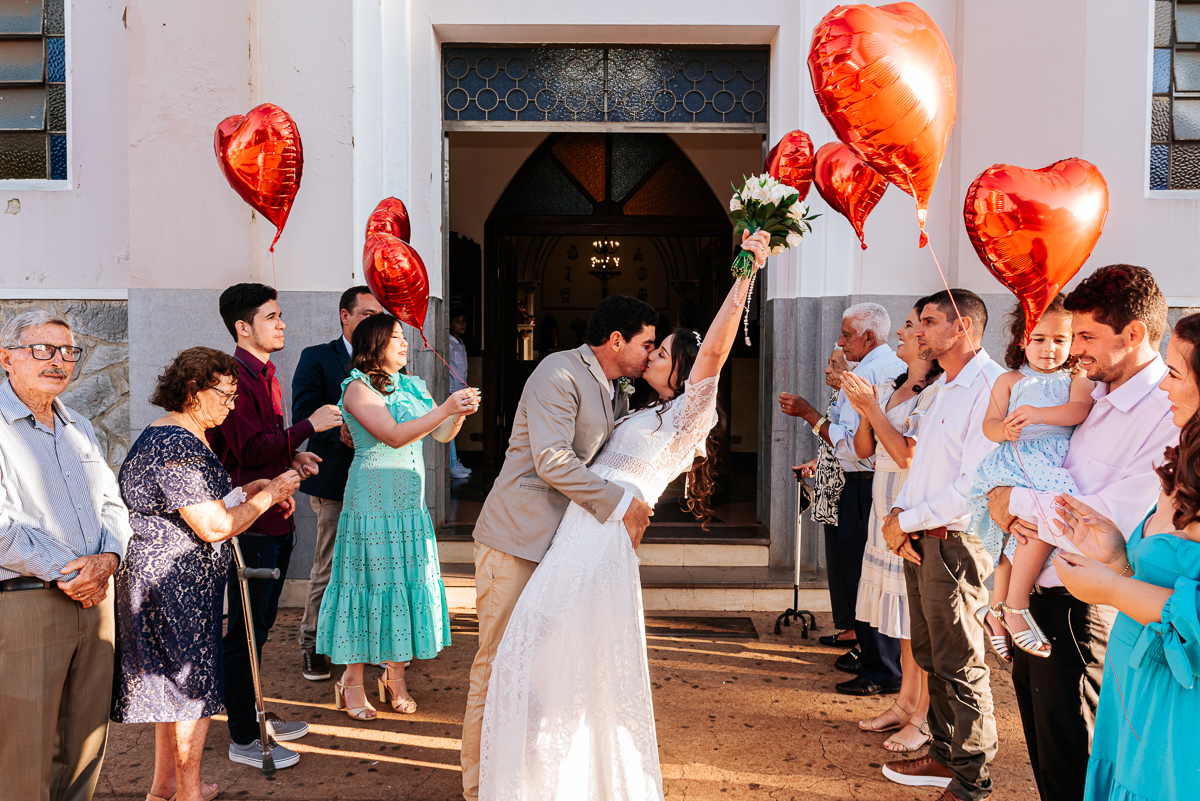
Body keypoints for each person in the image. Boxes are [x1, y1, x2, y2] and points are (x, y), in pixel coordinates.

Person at [477, 231, 771, 801]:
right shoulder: (639, 407)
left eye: (661, 352)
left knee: (564, 652)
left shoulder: (692, 410)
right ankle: (545, 773)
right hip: (580, 529)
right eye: (650, 346)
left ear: (684, 370)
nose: (651, 354)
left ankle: (573, 778)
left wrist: (747, 272)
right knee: (543, 652)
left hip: (600, 536)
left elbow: (713, 350)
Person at [986, 265, 1177, 801]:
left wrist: (1010, 501)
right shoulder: (1094, 396)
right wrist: (1003, 501)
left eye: (1088, 337)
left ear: (1134, 334)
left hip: (1080, 607)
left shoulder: (1164, 412)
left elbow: (1103, 518)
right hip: (1039, 592)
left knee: (1077, 761)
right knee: (1049, 754)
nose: (1077, 349)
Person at [459, 290, 658, 801]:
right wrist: (621, 504)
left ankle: (518, 775)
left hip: (561, 550)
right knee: (499, 660)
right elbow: (551, 460)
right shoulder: (558, 372)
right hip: (516, 540)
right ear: (616, 341)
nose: (649, 354)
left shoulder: (615, 389)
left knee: (538, 667)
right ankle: (479, 782)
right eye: (646, 344)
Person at [111, 347, 300, 800]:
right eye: (226, 394)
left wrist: (245, 492)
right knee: (190, 694)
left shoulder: (175, 435)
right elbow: (214, 525)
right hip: (174, 588)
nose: (232, 404)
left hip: (167, 584)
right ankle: (189, 794)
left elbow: (198, 507)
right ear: (194, 391)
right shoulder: (178, 443)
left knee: (172, 694)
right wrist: (271, 492)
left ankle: (164, 789)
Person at [1051, 312, 1200, 801]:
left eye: (1175, 376)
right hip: (1135, 688)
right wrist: (1118, 558)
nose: (1164, 389)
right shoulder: (1183, 464)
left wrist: (1112, 589)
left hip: (1182, 713)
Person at [316, 314, 479, 720]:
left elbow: (439, 436)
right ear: (374, 345)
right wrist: (444, 408)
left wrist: (457, 414)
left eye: (403, 338)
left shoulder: (413, 384)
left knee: (405, 583)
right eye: (395, 338)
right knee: (367, 583)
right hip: (372, 502)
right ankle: (350, 681)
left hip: (408, 504)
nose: (404, 345)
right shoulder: (357, 388)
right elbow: (393, 434)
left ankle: (395, 676)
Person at [0, 309, 132, 801]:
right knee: (23, 754)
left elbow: (112, 505)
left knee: (84, 746)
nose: (59, 361)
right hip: (26, 602)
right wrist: (70, 572)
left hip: (94, 601)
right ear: (6, 358)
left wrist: (109, 561)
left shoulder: (79, 425)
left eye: (68, 351)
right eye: (43, 349)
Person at [879, 288, 1003, 801]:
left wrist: (907, 519)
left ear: (964, 327)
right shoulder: (945, 386)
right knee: (932, 654)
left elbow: (971, 486)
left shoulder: (991, 388)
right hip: (923, 538)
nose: (919, 331)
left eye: (929, 321)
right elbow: (925, 464)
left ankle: (973, 781)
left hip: (956, 542)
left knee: (961, 660)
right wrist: (897, 517)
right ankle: (947, 756)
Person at [212, 283, 342, 769]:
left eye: (281, 314)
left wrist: (293, 456)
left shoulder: (265, 371)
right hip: (250, 522)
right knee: (245, 631)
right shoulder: (232, 376)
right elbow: (245, 450)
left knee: (260, 628)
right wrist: (310, 426)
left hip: (274, 512)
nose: (282, 323)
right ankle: (244, 737)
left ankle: (255, 713)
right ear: (243, 327)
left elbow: (266, 444)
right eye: (272, 316)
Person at [781, 303, 907, 696]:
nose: (839, 342)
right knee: (860, 570)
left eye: (846, 335)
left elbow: (857, 448)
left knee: (864, 572)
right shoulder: (871, 369)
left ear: (869, 337)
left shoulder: (870, 373)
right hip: (860, 480)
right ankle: (867, 650)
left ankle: (881, 667)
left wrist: (810, 415)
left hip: (865, 482)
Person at [968, 296, 1094, 660]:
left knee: (1030, 527)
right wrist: (1003, 430)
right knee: (1028, 524)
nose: (1049, 348)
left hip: (1051, 460)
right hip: (1017, 460)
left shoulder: (1077, 377)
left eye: (1059, 340)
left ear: (1072, 343)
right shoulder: (1010, 380)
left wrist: (1037, 413)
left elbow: (1078, 410)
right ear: (1023, 339)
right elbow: (989, 423)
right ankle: (1013, 606)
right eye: (1039, 338)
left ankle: (997, 608)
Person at [841, 300, 941, 752]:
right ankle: (903, 703)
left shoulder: (935, 391)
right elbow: (865, 448)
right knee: (900, 622)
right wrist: (866, 408)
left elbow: (907, 454)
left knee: (914, 621)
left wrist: (871, 408)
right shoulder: (897, 386)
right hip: (881, 508)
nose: (899, 333)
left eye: (908, 325)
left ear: (926, 339)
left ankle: (922, 715)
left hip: (908, 510)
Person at [292, 285, 384, 682]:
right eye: (365, 314)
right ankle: (312, 643)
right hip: (335, 478)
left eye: (378, 315)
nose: (373, 322)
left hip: (379, 482)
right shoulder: (316, 358)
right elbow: (304, 414)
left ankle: (373, 646)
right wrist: (341, 433)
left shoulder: (388, 363)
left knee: (375, 568)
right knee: (328, 565)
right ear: (344, 316)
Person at [796, 348, 857, 657]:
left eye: (835, 364)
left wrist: (808, 413)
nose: (827, 369)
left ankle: (856, 631)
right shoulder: (837, 399)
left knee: (849, 562)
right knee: (836, 560)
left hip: (848, 489)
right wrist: (815, 463)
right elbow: (834, 446)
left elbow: (852, 445)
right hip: (831, 486)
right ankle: (846, 627)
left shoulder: (855, 398)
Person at [448, 310, 472, 480]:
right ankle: (452, 464)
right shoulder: (448, 344)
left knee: (457, 427)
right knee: (450, 428)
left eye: (463, 320)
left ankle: (455, 462)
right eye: (457, 321)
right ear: (449, 325)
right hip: (451, 389)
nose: (462, 324)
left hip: (460, 388)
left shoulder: (460, 343)